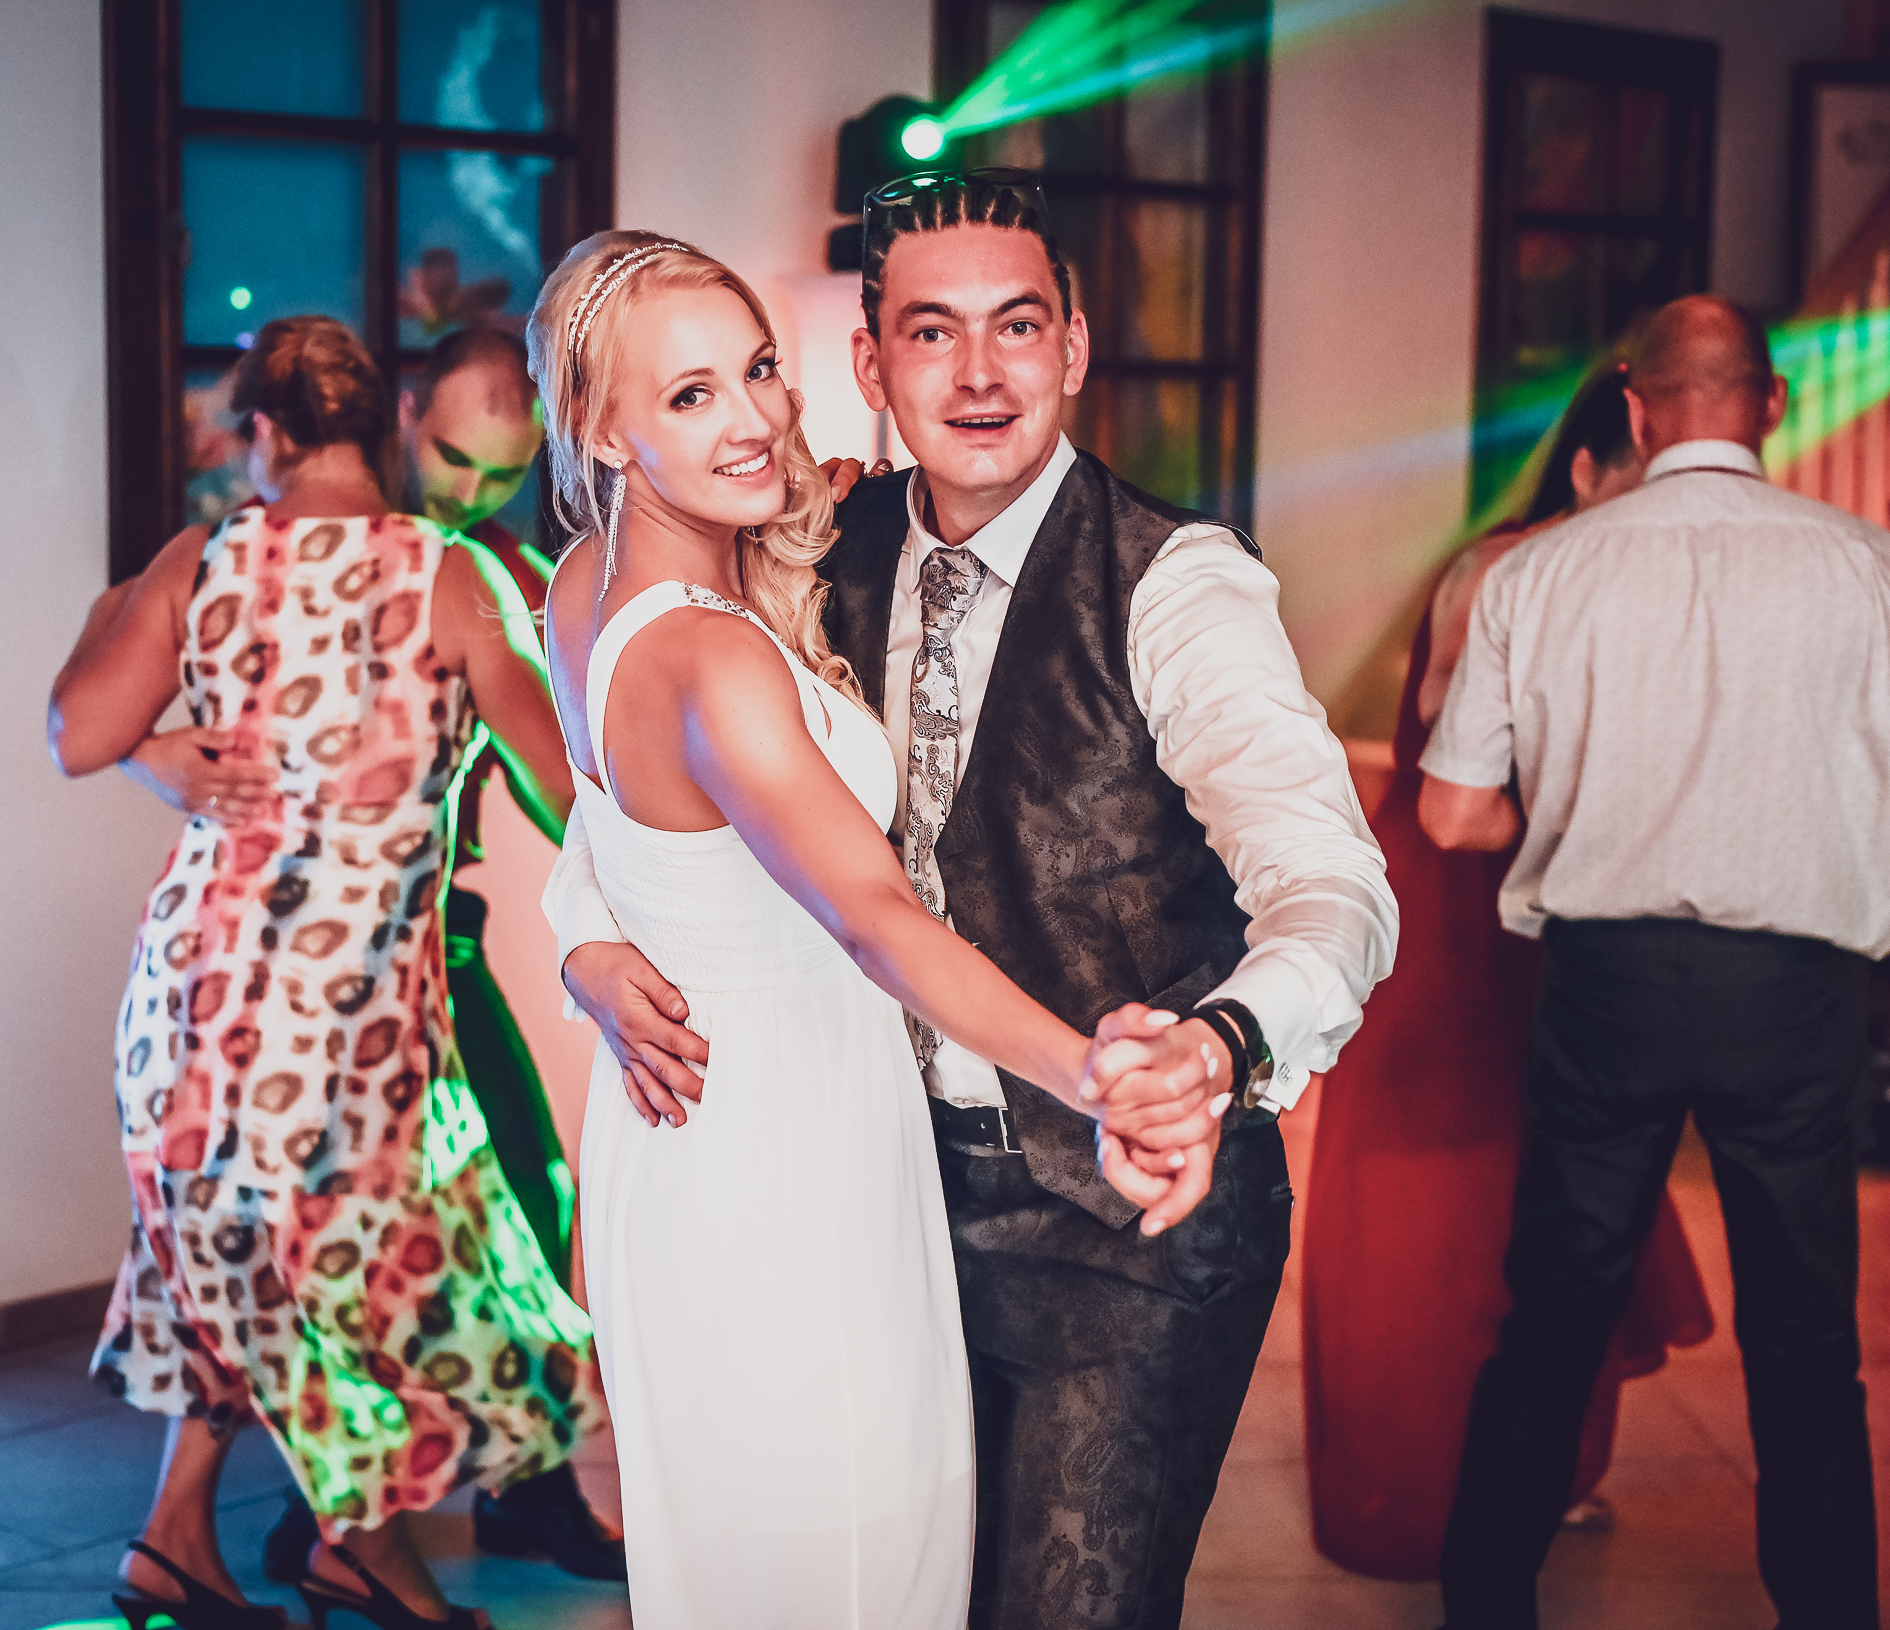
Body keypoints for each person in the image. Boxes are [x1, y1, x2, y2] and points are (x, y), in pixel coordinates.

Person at [545, 177, 1397, 1630]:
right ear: (869, 366)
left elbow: (1329, 881)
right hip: (875, 1194)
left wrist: (1220, 1045)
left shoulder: (1175, 584)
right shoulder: (805, 543)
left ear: (1074, 346)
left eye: (1018, 325)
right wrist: (588, 937)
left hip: (1111, 1232)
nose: (981, 372)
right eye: (931, 332)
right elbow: (639, 763)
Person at [1420, 295, 1890, 1630]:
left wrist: (1571, 814)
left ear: (1633, 406)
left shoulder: (1535, 572)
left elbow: (1449, 814)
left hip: (1602, 985)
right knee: (1805, 1338)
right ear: (1771, 404)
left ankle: (1483, 1605)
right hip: (1793, 996)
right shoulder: (1877, 570)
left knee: (1552, 1317)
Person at [49, 315, 598, 1630]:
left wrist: (153, 746)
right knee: (344, 1274)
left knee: (247, 1256)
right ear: (376, 426)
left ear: (265, 434)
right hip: (340, 1017)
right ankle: (367, 1555)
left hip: (193, 997)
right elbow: (563, 785)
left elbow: (77, 728)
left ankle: (174, 1544)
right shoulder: (450, 576)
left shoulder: (204, 557)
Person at [1302, 363, 1712, 1579]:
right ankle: (1421, 1473)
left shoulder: (1631, 578)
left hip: (1558, 908)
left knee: (1558, 1187)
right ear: (1583, 470)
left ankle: (1544, 1461)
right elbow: (1454, 748)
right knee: (1445, 1202)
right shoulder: (1504, 567)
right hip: (1458, 909)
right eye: (1635, 489)